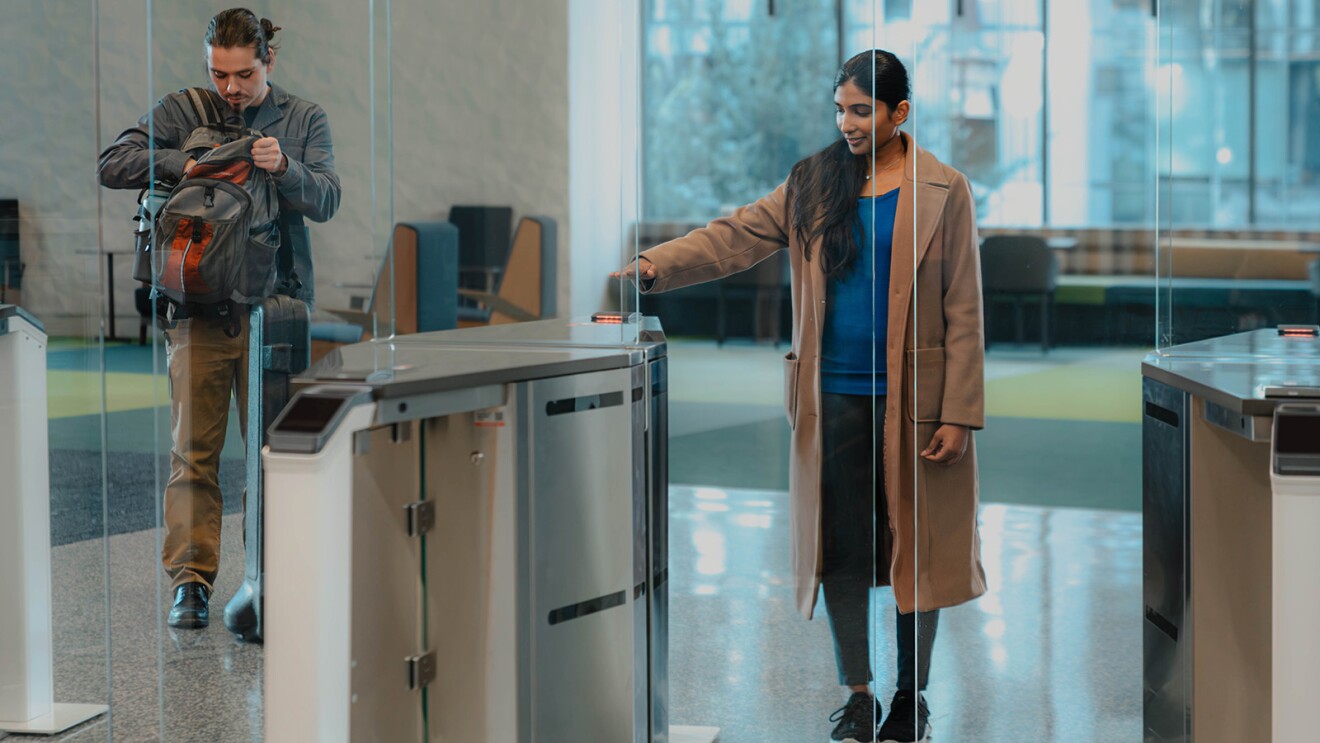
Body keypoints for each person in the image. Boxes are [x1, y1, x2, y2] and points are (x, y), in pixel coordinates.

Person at [616, 50, 986, 743]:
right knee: (841, 550)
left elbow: (964, 305)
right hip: (832, 395)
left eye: (860, 110)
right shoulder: (814, 183)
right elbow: (736, 235)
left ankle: (912, 698)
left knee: (918, 550)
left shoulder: (945, 189)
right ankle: (859, 693)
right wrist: (654, 264)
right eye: (839, 109)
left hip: (920, 403)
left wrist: (961, 411)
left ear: (899, 113)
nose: (846, 122)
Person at [98, 8, 341, 629]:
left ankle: (271, 579)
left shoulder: (302, 117)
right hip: (200, 310)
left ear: (269, 62)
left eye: (243, 74)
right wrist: (188, 161)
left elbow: (328, 198)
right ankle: (191, 583)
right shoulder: (184, 110)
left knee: (274, 456)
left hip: (276, 313)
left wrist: (283, 166)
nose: (230, 87)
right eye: (219, 73)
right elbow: (112, 162)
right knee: (192, 454)